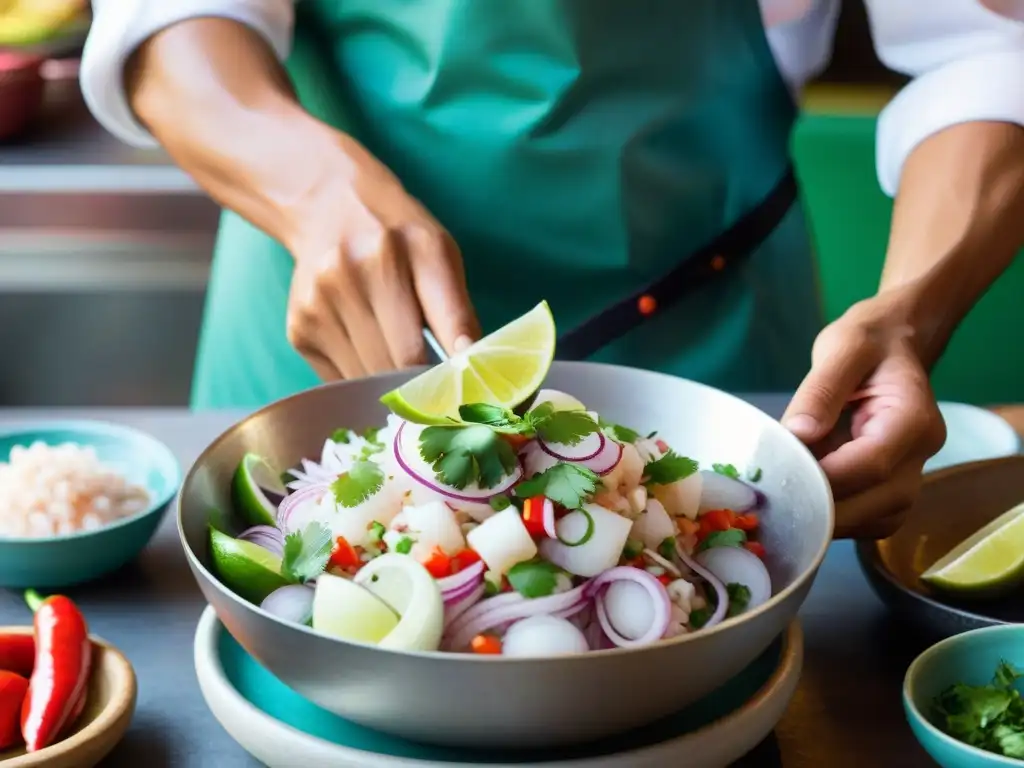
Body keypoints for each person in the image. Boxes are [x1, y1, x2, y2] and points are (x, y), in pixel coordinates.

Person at [80, 1, 1024, 539]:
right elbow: (168, 18)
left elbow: (982, 46)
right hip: (325, 301)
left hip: (709, 328)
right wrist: (313, 193)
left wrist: (911, 314)